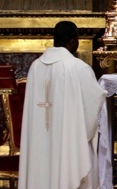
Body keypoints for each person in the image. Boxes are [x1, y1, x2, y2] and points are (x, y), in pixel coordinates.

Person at [19, 20, 106, 189]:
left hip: (39, 142)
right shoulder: (78, 68)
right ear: (73, 41)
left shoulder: (35, 67)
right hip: (68, 144)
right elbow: (94, 105)